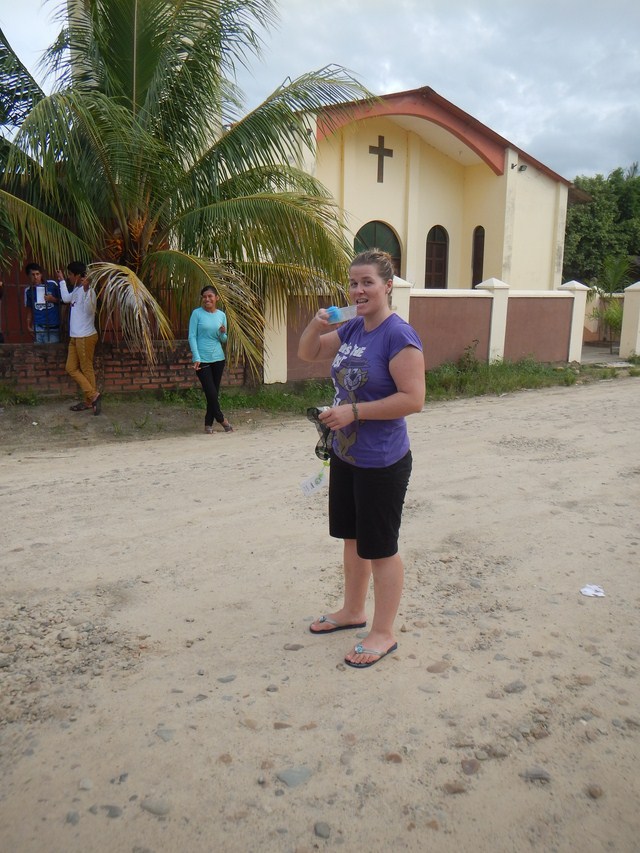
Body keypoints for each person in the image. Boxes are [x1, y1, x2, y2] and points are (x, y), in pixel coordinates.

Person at [298, 248, 425, 668]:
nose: (358, 290)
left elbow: (414, 399)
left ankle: (384, 633)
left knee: (381, 547)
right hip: (347, 454)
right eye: (353, 283)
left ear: (387, 286)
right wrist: (315, 324)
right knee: (352, 539)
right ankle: (353, 611)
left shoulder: (398, 335)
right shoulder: (354, 327)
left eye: (367, 282)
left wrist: (354, 412)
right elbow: (308, 353)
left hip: (382, 461)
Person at [56, 261, 101, 415]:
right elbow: (66, 298)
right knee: (70, 367)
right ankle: (93, 395)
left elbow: (90, 310)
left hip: (85, 336)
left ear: (77, 275)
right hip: (75, 337)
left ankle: (90, 400)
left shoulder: (90, 291)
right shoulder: (76, 290)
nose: (69, 276)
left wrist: (87, 291)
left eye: (69, 274)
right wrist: (61, 280)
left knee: (86, 368)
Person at [188, 285, 233, 434]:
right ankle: (222, 419)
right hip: (202, 359)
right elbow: (192, 336)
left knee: (213, 393)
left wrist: (222, 333)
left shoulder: (222, 315)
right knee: (211, 393)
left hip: (218, 359)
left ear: (216, 298)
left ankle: (208, 424)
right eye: (204, 297)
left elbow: (223, 339)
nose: (207, 299)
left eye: (210, 296)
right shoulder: (197, 314)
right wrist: (196, 357)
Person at [24, 263, 61, 343]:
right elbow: (30, 309)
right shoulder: (28, 290)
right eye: (33, 274)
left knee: (52, 349)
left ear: (41, 274)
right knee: (38, 350)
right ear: (29, 276)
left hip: (52, 327)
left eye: (37, 274)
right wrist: (28, 325)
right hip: (38, 327)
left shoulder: (52, 284)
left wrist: (53, 299)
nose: (35, 277)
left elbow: (63, 301)